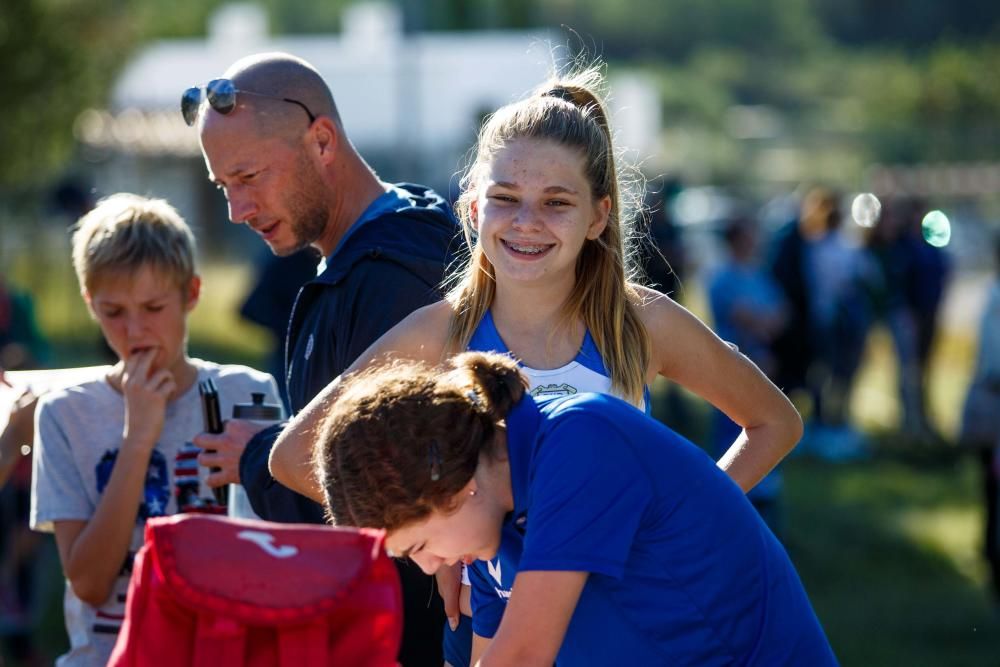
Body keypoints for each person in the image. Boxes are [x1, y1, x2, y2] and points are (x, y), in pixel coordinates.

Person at [268, 67, 803, 665]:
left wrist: (667, 527)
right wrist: (438, 527)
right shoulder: (441, 330)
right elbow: (293, 455)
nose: (526, 222)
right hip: (492, 620)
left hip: (623, 620)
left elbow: (774, 423)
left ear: (599, 216)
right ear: (472, 208)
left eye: (556, 203)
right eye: (505, 200)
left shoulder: (639, 322)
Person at [187, 52, 458, 665]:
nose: (238, 210)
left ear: (322, 141)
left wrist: (255, 457)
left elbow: (391, 496)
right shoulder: (363, 258)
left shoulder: (393, 277)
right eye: (224, 186)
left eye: (250, 176)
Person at [314, 351, 837, 665]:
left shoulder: (581, 441)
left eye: (420, 546)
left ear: (453, 488)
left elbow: (523, 657)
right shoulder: (492, 530)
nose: (431, 566)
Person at [29, 194, 281, 667]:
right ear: (90, 305)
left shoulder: (247, 393)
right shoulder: (64, 414)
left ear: (191, 294)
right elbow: (88, 583)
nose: (135, 330)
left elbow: (270, 548)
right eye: (113, 312)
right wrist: (139, 437)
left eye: (153, 306)